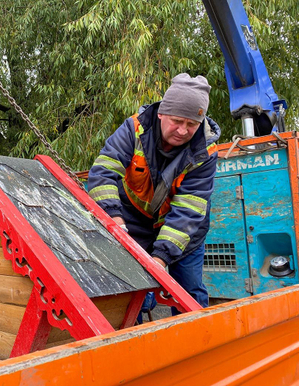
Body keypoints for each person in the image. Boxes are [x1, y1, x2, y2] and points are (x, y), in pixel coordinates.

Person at [87, 73, 221, 310]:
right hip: (132, 221)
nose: (182, 130)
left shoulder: (206, 151)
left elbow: (188, 212)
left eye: (191, 124)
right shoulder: (134, 129)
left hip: (184, 231)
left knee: (187, 291)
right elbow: (103, 173)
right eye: (177, 121)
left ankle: (194, 342)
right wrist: (115, 222)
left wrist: (159, 259)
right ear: (161, 113)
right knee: (127, 292)